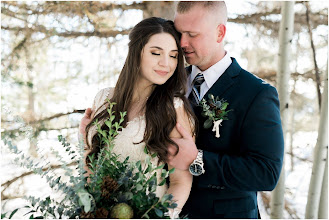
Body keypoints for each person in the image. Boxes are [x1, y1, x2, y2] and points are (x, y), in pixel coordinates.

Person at [166, 1, 284, 218]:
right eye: (179, 33)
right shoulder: (168, 82)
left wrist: (197, 159)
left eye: (192, 34)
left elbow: (266, 173)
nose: (182, 43)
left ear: (220, 33)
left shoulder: (256, 93)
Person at [79, 17, 196, 217]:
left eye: (174, 56)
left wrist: (162, 216)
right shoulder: (103, 98)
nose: (166, 63)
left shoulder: (173, 109)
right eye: (156, 53)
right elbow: (90, 164)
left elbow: (181, 181)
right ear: (136, 53)